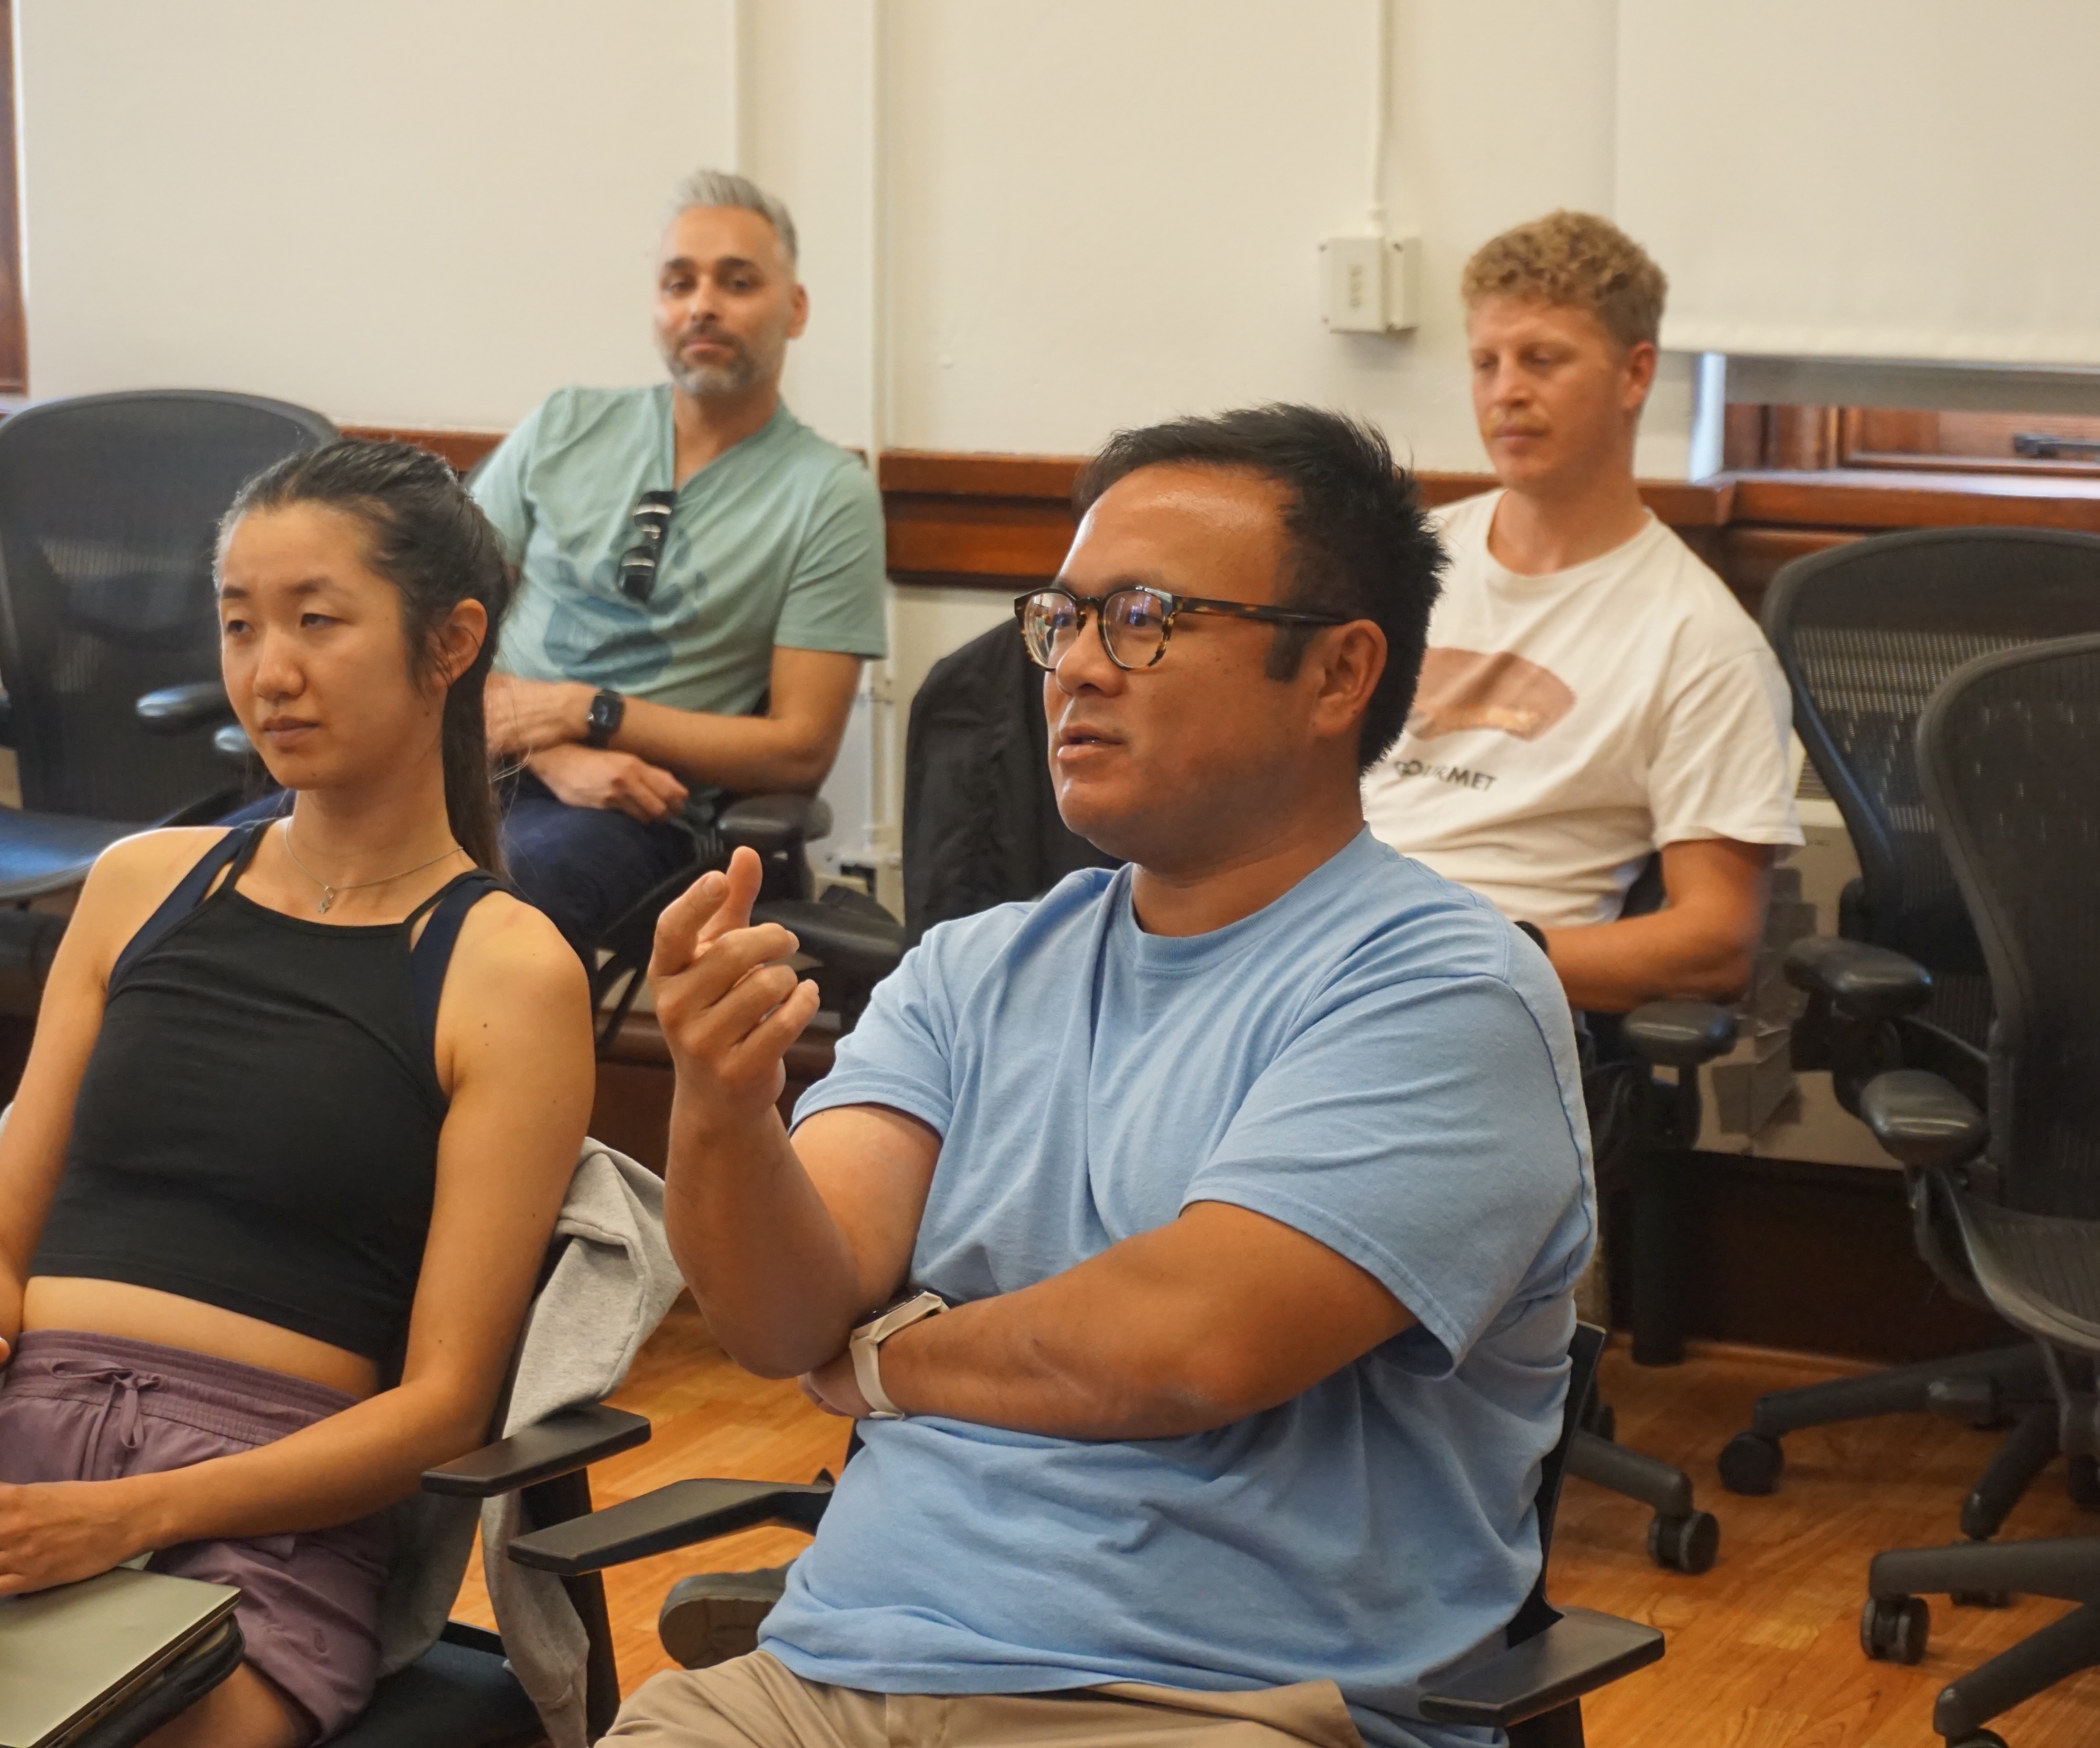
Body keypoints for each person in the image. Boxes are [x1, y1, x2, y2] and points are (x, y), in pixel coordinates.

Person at [612, 406, 1596, 1748]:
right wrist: (722, 1110)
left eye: (1141, 618)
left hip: (1198, 1702)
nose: (1076, 665)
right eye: (1061, 619)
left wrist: (891, 1356)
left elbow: (1190, 1346)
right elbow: (786, 1320)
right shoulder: (971, 968)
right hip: (828, 1676)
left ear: (1336, 674)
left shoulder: (1442, 987)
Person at [0, 441, 593, 1747]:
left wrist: (128, 1517)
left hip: (254, 1526)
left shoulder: (503, 967)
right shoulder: (139, 886)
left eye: (318, 622)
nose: (269, 671)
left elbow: (440, 1406)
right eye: (238, 625)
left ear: (451, 644)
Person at [1360, 210, 1801, 1014]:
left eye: (1541, 360)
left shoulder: (1699, 640)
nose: (1505, 394)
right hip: (1305, 934)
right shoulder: (1404, 558)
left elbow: (1716, 943)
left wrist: (1471, 961)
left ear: (1634, 376)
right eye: (1484, 364)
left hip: (1471, 995)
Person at [469, 167, 889, 959]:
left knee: (486, 920)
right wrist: (551, 746)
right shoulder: (564, 425)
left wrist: (591, 711)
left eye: (737, 282)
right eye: (679, 283)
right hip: (468, 756)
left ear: (795, 310)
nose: (702, 304)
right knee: (240, 860)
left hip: (638, 813)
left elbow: (798, 748)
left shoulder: (828, 493)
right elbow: (427, 625)